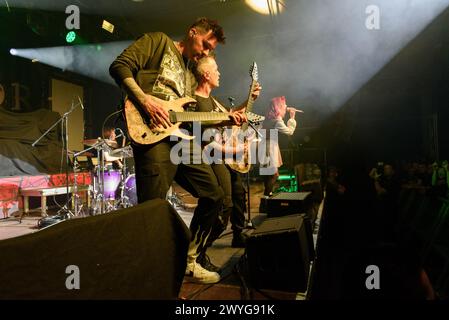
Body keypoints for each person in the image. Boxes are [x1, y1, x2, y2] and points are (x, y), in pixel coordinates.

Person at [109, 18, 232, 285]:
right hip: (152, 133)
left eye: (211, 50)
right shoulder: (158, 41)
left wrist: (226, 119)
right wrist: (145, 100)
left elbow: (188, 115)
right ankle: (144, 277)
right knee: (153, 209)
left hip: (181, 137)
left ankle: (190, 260)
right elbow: (119, 66)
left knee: (214, 195)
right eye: (205, 45)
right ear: (192, 33)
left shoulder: (190, 73)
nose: (206, 52)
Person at [191, 55, 261, 271]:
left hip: (222, 160)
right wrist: (235, 149)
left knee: (227, 207)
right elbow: (206, 144)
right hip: (211, 160)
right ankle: (194, 253)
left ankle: (199, 252)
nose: (220, 73)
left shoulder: (213, 101)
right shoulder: (196, 103)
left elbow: (230, 116)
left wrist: (251, 99)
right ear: (206, 74)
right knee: (221, 207)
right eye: (216, 69)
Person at [260, 96, 298, 198]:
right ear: (279, 107)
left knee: (267, 175)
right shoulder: (277, 121)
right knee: (274, 175)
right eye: (284, 105)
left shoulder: (268, 119)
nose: (285, 107)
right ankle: (265, 198)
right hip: (270, 148)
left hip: (264, 146)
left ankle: (267, 198)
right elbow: (289, 132)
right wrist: (292, 117)